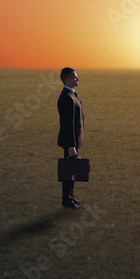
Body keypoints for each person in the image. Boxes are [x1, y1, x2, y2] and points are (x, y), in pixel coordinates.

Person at [57, 67, 84, 209]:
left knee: (71, 170)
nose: (77, 79)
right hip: (70, 143)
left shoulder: (70, 95)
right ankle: (67, 200)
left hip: (72, 142)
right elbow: (67, 125)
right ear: (67, 79)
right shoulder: (67, 98)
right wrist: (71, 146)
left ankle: (70, 197)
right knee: (68, 171)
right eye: (75, 77)